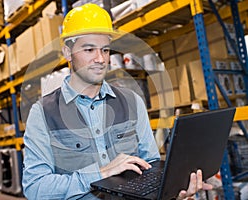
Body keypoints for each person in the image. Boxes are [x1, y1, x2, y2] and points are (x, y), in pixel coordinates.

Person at [22, 3, 212, 199]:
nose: (100, 59)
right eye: (89, 50)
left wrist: (172, 192)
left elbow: (150, 166)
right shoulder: (43, 113)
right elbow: (35, 188)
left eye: (105, 50)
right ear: (68, 53)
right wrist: (100, 174)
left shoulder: (132, 102)